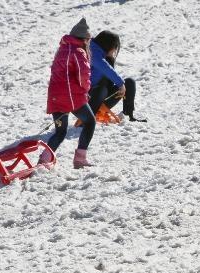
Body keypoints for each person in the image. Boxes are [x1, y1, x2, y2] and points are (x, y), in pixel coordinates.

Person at [40, 18, 96, 169]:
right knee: (90, 121)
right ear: (84, 39)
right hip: (71, 97)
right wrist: (85, 91)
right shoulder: (78, 51)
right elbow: (83, 75)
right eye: (88, 39)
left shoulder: (62, 50)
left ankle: (44, 160)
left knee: (60, 131)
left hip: (55, 96)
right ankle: (80, 158)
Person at [87, 30, 146, 122]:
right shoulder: (92, 53)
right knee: (102, 88)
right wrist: (120, 84)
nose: (115, 50)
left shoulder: (101, 54)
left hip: (103, 97)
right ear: (107, 45)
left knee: (129, 82)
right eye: (115, 47)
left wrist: (122, 85)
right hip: (90, 100)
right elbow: (105, 68)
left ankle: (128, 115)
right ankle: (89, 118)